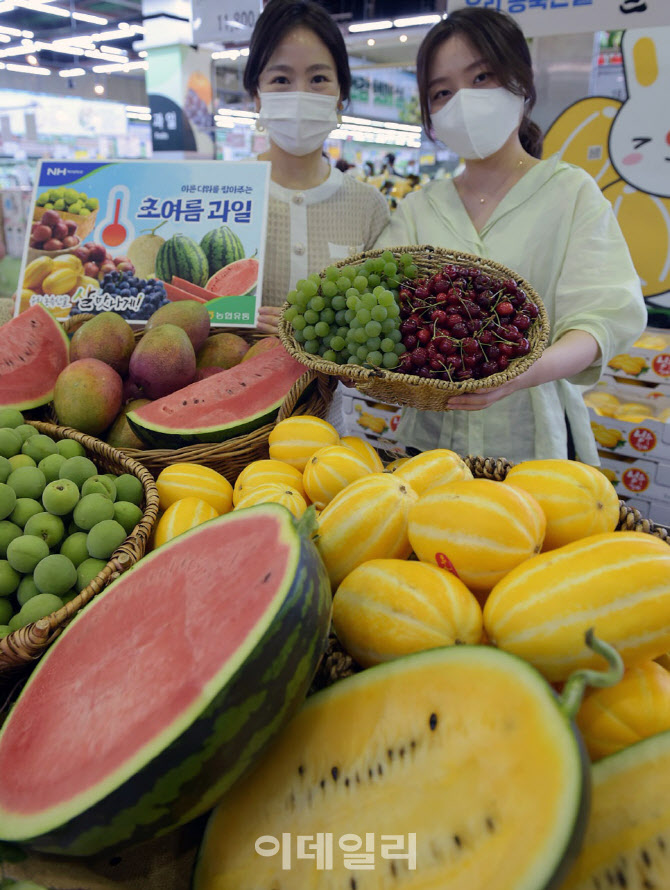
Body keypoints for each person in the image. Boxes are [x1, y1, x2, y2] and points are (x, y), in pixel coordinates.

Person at [376, 7, 647, 464]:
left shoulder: (569, 192)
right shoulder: (419, 209)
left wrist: (525, 372)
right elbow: (383, 305)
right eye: (442, 91)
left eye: (481, 77)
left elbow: (604, 317)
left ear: (520, 81)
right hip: (431, 445)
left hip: (535, 444)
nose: (462, 100)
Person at [243, 0, 390, 334]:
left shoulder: (369, 207)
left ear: (340, 96)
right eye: (281, 79)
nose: (300, 94)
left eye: (319, 78)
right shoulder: (222, 192)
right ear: (256, 95)